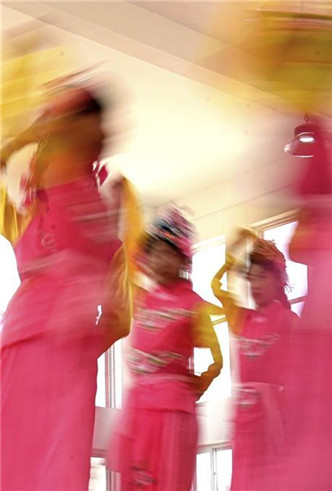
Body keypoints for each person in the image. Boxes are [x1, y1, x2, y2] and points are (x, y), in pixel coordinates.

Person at [0, 83, 135, 490]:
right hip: (27, 344)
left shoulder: (105, 211)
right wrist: (30, 132)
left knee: (50, 469)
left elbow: (120, 319)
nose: (101, 137)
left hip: (59, 355)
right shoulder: (27, 205)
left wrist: (78, 347)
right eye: (90, 126)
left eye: (100, 131)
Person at [108, 207, 223, 490]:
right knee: (136, 478)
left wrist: (195, 386)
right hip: (138, 407)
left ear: (182, 259)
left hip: (173, 408)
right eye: (155, 254)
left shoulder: (193, 305)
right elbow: (121, 259)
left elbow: (216, 358)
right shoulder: (141, 298)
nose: (160, 261)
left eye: (167, 254)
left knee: (168, 478)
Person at [211, 232, 297, 491]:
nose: (255, 284)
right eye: (252, 278)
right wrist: (232, 258)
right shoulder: (242, 318)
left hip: (275, 417)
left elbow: (300, 372)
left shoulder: (288, 320)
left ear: (278, 280)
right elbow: (216, 287)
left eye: (262, 277)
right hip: (244, 417)